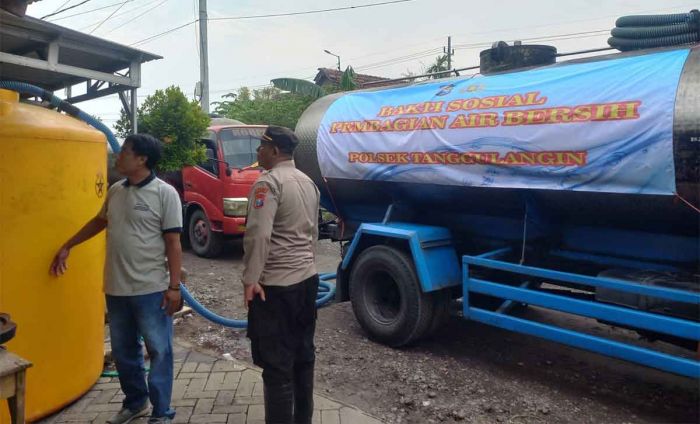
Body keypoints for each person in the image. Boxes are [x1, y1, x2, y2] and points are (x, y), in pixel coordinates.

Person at [50, 134, 183, 424]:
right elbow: (99, 221)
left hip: (151, 288)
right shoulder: (116, 191)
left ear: (142, 159)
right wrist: (68, 245)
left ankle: (162, 413)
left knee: (159, 350)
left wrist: (174, 287)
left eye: (124, 151)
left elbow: (173, 242)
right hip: (116, 287)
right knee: (124, 353)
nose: (118, 156)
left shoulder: (165, 193)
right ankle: (136, 403)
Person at [242, 126, 320, 424]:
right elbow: (312, 235)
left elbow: (258, 236)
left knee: (276, 366)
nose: (257, 152)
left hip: (275, 286)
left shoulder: (269, 183)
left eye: (262, 146)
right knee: (303, 357)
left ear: (275, 151)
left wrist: (251, 280)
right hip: (307, 281)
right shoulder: (307, 182)